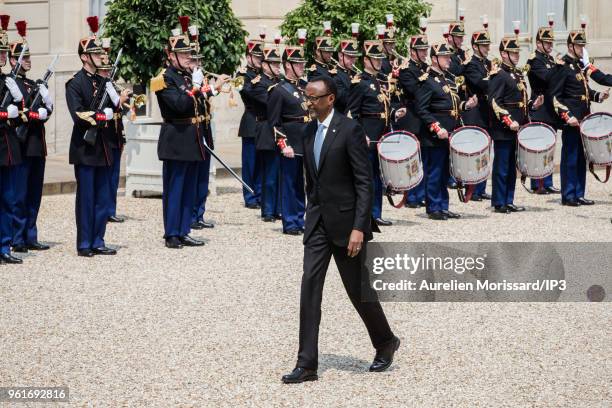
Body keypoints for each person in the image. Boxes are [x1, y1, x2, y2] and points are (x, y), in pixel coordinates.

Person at [281, 76, 399, 384]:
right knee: (310, 289)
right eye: (306, 98)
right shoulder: (307, 132)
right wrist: (310, 213)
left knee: (359, 292)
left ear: (330, 99)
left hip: (347, 227)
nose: (309, 103)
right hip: (318, 224)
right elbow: (312, 180)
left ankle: (385, 341)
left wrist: (359, 227)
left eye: (314, 98)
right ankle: (306, 364)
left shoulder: (349, 130)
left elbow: (364, 182)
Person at [150, 16, 223, 249]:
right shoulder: (163, 79)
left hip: (193, 139)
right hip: (176, 139)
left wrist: (203, 88)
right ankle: (172, 233)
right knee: (175, 189)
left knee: (189, 188)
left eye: (189, 55)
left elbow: (197, 106)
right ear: (171, 56)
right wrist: (199, 88)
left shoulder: (185, 76)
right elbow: (179, 105)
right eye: (183, 55)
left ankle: (184, 230)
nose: (188, 59)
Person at [65, 16, 117, 257]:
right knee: (86, 199)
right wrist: (100, 116)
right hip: (86, 148)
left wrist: (116, 103)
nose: (100, 57)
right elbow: (78, 114)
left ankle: (98, 239)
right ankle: (85, 243)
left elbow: (117, 108)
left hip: (104, 146)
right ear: (85, 56)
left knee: (104, 198)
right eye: (95, 54)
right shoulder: (75, 83)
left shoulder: (104, 81)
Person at [416, 43, 478, 220]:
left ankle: (443, 206)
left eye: (449, 57)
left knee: (445, 172)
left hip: (450, 133)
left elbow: (452, 106)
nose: (449, 60)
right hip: (435, 135)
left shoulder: (449, 79)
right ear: (434, 59)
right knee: (434, 172)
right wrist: (436, 127)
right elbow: (422, 109)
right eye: (444, 57)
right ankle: (433, 207)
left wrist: (467, 105)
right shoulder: (426, 80)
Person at [549, 28, 609, 206]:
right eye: (579, 45)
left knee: (582, 158)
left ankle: (579, 193)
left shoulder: (579, 65)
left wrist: (598, 96)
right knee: (570, 157)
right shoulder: (562, 66)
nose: (582, 49)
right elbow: (555, 96)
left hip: (584, 119)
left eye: (583, 45)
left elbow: (583, 91)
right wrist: (567, 116)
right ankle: (568, 195)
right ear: (570, 46)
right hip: (572, 120)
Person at [8, 20, 53, 253]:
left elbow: (44, 113)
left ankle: (30, 235)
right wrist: (36, 113)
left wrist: (47, 105)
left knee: (34, 194)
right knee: (19, 195)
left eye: (28, 57)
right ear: (13, 60)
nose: (28, 61)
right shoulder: (9, 84)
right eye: (23, 57)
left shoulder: (32, 84)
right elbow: (19, 112)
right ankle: (17, 238)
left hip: (36, 145)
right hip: (19, 144)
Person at [347, 39, 401, 227]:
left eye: (380, 58)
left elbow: (383, 108)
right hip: (367, 137)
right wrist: (361, 134)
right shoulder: (359, 83)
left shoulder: (379, 81)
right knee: (366, 178)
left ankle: (375, 213)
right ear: (366, 60)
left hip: (382, 137)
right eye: (375, 59)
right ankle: (365, 215)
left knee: (377, 178)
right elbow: (351, 113)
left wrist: (394, 113)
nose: (379, 62)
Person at [488, 34, 544, 213]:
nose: (517, 55)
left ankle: (508, 200)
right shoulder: (499, 74)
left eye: (517, 52)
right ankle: (498, 202)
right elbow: (495, 102)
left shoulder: (517, 73)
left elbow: (518, 101)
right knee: (502, 167)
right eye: (513, 52)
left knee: (512, 168)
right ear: (504, 54)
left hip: (517, 127)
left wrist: (532, 106)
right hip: (504, 128)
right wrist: (508, 120)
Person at [269, 44, 309, 235]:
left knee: (303, 185)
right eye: (297, 64)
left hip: (306, 142)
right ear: (287, 65)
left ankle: (300, 219)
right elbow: (275, 123)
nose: (301, 67)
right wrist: (283, 144)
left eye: (302, 63)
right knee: (290, 184)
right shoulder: (278, 90)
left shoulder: (304, 87)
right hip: (291, 144)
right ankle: (291, 222)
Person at [0, 14, 25, 264]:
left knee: (8, 199)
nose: (3, 57)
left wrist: (18, 100)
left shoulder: (8, 80)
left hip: (7, 149)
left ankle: (4, 246)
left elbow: (21, 114)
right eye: (0, 53)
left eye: (4, 53)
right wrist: (6, 112)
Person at [97, 38, 130, 224]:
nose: (108, 73)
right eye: (105, 70)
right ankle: (104, 209)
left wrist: (122, 137)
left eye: (109, 70)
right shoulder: (100, 88)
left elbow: (119, 113)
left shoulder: (111, 85)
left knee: (114, 176)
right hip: (105, 135)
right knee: (105, 176)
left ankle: (111, 209)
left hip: (116, 134)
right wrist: (119, 99)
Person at [526, 23, 561, 194]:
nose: (550, 45)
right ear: (538, 43)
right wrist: (559, 68)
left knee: (550, 147)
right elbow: (547, 77)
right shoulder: (534, 60)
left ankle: (547, 181)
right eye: (546, 42)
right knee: (539, 147)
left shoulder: (550, 59)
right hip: (540, 106)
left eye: (551, 42)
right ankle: (537, 183)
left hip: (550, 107)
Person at [397, 34, 430, 209]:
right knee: (412, 159)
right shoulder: (406, 70)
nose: (425, 53)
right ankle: (411, 196)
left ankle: (421, 193)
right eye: (421, 50)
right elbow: (415, 92)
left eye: (426, 50)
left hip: (424, 117)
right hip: (412, 117)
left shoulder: (426, 68)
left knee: (423, 158)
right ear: (412, 51)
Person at [461, 27, 492, 201]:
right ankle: (471, 189)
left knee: (485, 153)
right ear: (475, 47)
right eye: (483, 45)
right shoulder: (471, 64)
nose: (487, 48)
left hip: (486, 112)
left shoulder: (487, 64)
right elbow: (481, 84)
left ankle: (481, 188)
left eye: (487, 45)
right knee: (474, 153)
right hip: (475, 113)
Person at [254, 45, 281, 222]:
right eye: (274, 64)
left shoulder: (279, 82)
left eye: (279, 64)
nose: (278, 67)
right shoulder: (259, 83)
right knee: (270, 175)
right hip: (267, 129)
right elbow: (270, 104)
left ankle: (278, 208)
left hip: (281, 129)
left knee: (280, 174)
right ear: (265, 65)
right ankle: (268, 210)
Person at [237, 38, 265, 209]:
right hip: (251, 121)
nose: (259, 61)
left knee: (262, 162)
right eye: (256, 57)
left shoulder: (264, 74)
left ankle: (261, 195)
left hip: (265, 122)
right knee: (250, 163)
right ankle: (250, 196)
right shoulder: (243, 75)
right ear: (248, 57)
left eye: (261, 58)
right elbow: (248, 93)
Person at [333, 38, 360, 115]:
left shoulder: (355, 74)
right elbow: (344, 99)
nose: (353, 60)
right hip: (342, 119)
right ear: (341, 56)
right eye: (350, 57)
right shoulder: (334, 76)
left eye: (354, 57)